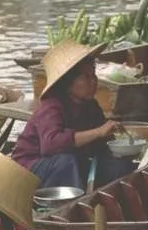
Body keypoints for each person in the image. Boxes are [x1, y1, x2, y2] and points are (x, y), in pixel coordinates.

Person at [10, 41, 132, 191]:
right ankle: (69, 207)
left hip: (71, 162)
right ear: (68, 83)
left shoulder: (90, 105)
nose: (93, 81)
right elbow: (51, 145)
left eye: (93, 74)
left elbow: (100, 139)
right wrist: (99, 132)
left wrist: (114, 140)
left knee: (118, 166)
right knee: (66, 162)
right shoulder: (51, 106)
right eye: (86, 77)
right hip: (30, 169)